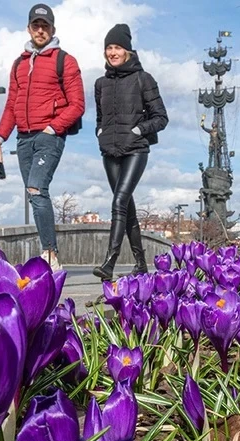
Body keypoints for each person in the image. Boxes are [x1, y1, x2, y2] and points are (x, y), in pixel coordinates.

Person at [0, 3, 85, 272]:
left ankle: (50, 254)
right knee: (33, 195)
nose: (40, 30)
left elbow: (77, 104)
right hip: (22, 138)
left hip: (49, 136)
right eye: (36, 26)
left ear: (52, 28)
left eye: (45, 26)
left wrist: (53, 128)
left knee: (36, 189)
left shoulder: (65, 60)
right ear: (29, 28)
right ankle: (48, 250)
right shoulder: (19, 64)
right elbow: (11, 105)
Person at [92, 23, 168, 281]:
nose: (112, 52)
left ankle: (109, 263)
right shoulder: (100, 83)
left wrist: (137, 131)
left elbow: (161, 118)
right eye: (109, 48)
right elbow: (100, 117)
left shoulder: (143, 79)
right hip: (110, 152)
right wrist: (100, 131)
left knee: (118, 201)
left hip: (136, 150)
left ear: (128, 51)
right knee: (128, 209)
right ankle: (140, 263)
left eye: (117, 47)